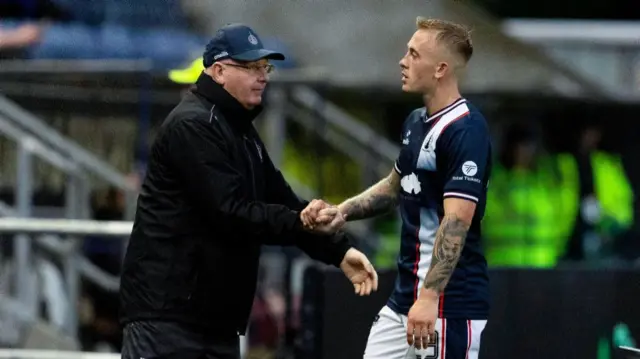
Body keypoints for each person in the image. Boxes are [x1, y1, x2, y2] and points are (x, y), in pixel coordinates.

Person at [118, 23, 378, 359]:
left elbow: (281, 201)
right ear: (219, 71)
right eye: (251, 67)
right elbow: (231, 212)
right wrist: (300, 221)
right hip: (168, 320)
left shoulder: (240, 132)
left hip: (212, 322)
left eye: (264, 67)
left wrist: (338, 251)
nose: (263, 76)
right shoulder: (193, 125)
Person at [303, 17, 492, 359]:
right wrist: (341, 211)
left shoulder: (467, 130)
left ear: (441, 69)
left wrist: (430, 298)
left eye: (414, 54)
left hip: (448, 306)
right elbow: (395, 186)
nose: (402, 61)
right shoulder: (416, 122)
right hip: (403, 300)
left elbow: (457, 223)